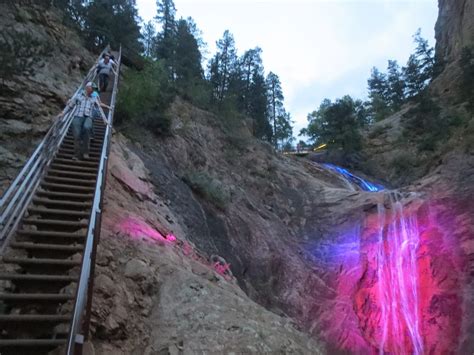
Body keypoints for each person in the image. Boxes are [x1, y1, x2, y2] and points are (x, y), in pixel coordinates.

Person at [61, 82, 110, 160]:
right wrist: (63, 113)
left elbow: (100, 109)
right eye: (92, 88)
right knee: (76, 135)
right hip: (78, 116)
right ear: (87, 88)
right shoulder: (78, 96)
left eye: (94, 88)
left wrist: (105, 120)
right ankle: (77, 154)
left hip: (88, 117)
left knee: (87, 128)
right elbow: (70, 106)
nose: (93, 90)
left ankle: (85, 152)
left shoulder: (94, 98)